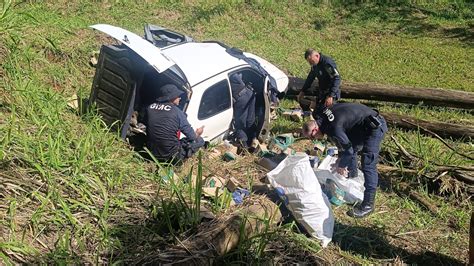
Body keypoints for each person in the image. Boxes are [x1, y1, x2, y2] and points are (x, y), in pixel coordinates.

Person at [302, 103, 387, 218]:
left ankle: (368, 205)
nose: (313, 140)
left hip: (374, 127)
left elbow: (348, 151)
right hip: (360, 125)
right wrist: (341, 159)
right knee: (349, 147)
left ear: (315, 129)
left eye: (312, 137)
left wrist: (341, 165)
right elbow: (343, 144)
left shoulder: (333, 128)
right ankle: (352, 176)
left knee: (368, 164)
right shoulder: (322, 116)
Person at [145, 84, 205, 163]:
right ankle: (182, 160)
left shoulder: (150, 107)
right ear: (171, 97)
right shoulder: (177, 112)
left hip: (150, 152)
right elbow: (192, 136)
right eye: (178, 96)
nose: (179, 98)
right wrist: (198, 133)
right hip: (170, 156)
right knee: (200, 141)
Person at [298, 49, 341, 115]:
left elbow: (336, 79)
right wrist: (303, 91)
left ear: (317, 56)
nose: (310, 64)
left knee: (329, 113)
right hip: (322, 91)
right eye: (309, 62)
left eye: (311, 61)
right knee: (318, 112)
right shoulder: (315, 65)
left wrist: (331, 96)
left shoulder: (326, 63)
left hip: (331, 93)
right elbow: (310, 78)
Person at [229, 73, 256, 149]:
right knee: (250, 120)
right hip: (249, 93)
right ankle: (254, 138)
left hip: (241, 99)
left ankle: (244, 146)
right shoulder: (234, 74)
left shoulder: (227, 75)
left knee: (240, 124)